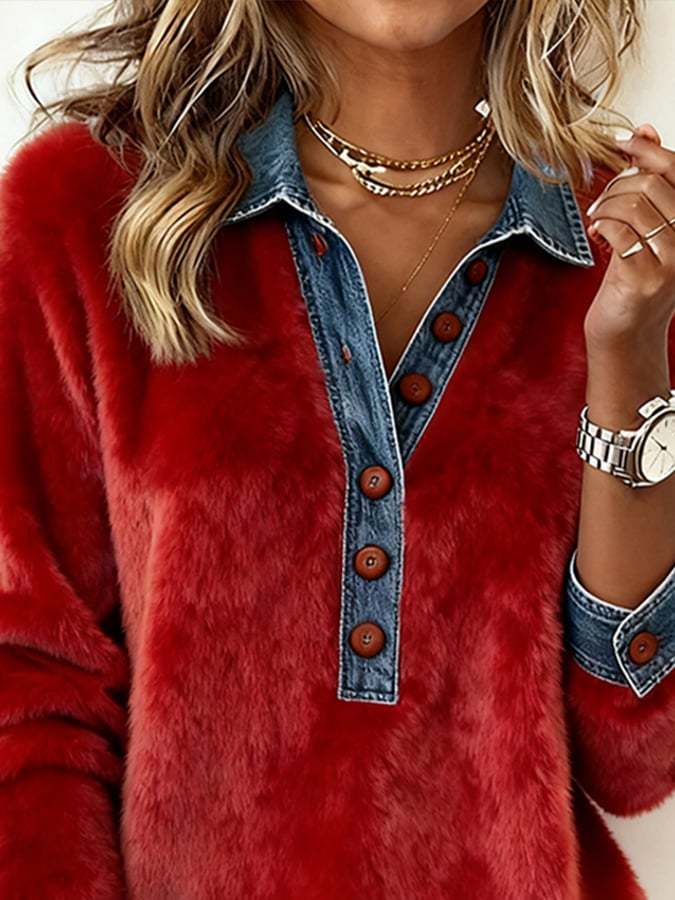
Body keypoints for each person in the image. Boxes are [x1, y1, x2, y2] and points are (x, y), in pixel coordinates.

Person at [1, 1, 674, 897]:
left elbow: (636, 758)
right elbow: (27, 692)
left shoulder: (636, 249)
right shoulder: (90, 211)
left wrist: (631, 357)